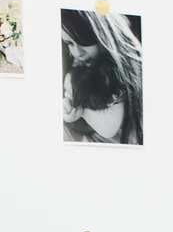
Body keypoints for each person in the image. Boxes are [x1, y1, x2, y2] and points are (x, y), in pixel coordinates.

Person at [61, 10, 143, 145]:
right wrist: (68, 106)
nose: (77, 53)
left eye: (83, 41)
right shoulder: (76, 72)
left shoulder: (124, 75)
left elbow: (109, 128)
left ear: (103, 35)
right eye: (69, 43)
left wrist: (82, 110)